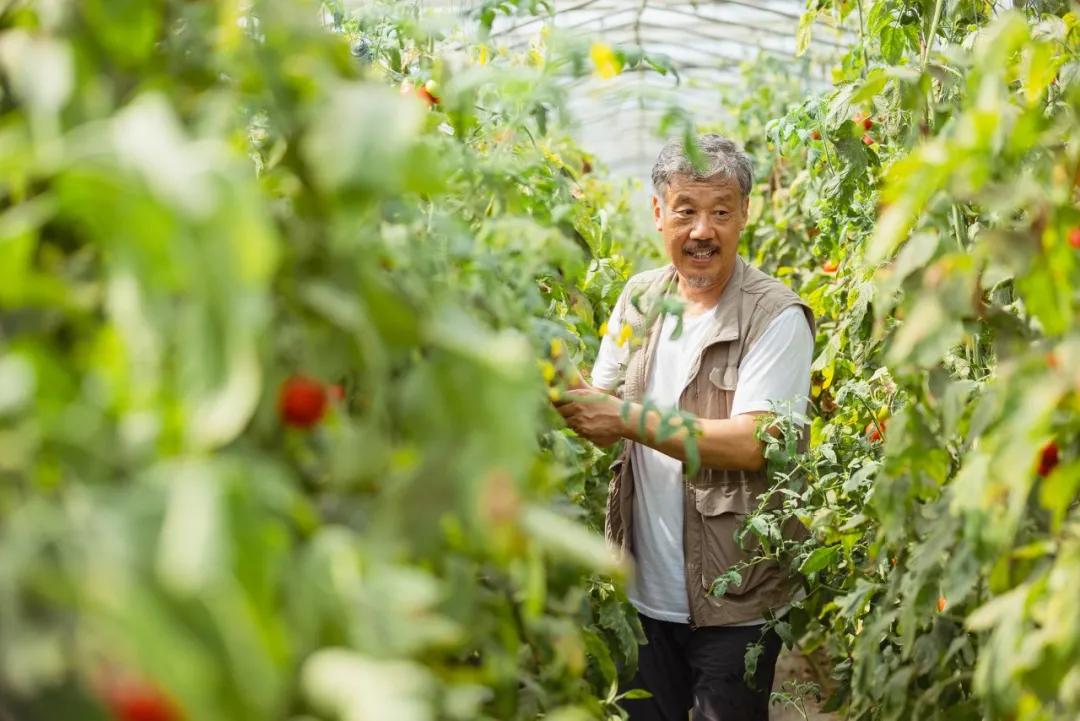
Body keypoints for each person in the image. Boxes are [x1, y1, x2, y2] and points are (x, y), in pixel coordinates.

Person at [555, 134, 815, 721]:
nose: (703, 231)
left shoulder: (774, 317)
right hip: (643, 594)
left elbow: (754, 443)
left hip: (736, 603)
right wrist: (555, 381)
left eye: (721, 212)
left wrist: (622, 415)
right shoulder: (639, 299)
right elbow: (603, 416)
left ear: (745, 214)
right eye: (687, 211)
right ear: (657, 213)